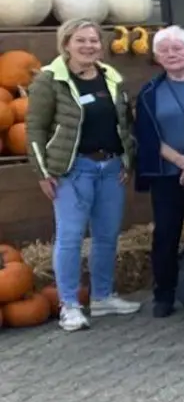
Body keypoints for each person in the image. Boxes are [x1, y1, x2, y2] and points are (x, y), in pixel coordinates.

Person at [26, 19, 141, 331]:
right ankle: (70, 305)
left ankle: (103, 297)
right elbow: (34, 129)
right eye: (81, 41)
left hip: (110, 168)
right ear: (66, 44)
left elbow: (124, 124)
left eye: (93, 41)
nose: (89, 46)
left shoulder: (111, 78)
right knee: (71, 237)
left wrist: (127, 161)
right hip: (73, 170)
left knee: (106, 236)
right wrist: (43, 171)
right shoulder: (50, 81)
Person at [134, 25, 184, 319]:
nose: (171, 54)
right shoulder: (150, 92)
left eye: (178, 48)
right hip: (166, 173)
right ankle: (165, 293)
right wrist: (180, 161)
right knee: (166, 233)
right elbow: (146, 135)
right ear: (156, 56)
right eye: (164, 49)